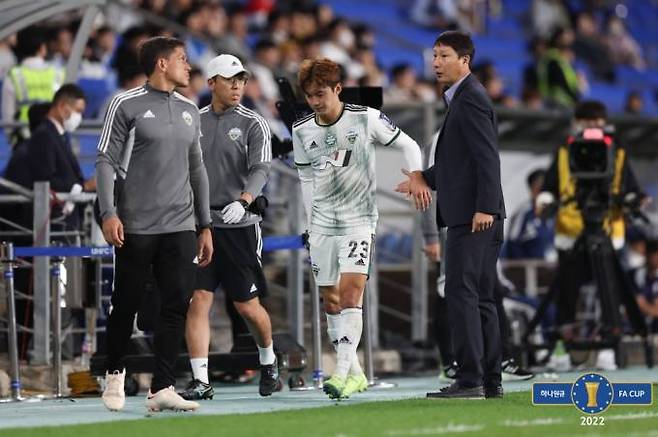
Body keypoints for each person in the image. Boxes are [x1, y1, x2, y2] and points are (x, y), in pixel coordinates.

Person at [293, 58, 427, 400]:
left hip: (359, 219)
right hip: (322, 224)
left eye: (320, 94)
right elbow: (306, 178)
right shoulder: (301, 130)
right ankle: (355, 373)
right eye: (309, 96)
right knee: (330, 298)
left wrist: (416, 176)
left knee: (352, 293)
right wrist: (309, 223)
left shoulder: (364, 118)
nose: (315, 102)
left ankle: (338, 374)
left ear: (337, 89)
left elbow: (409, 144)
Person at [96, 36, 213, 412]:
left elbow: (197, 168)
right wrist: (108, 211)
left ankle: (162, 387)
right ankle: (114, 375)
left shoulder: (190, 108)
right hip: (135, 224)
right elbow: (104, 161)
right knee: (126, 303)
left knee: (176, 304)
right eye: (182, 59)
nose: (188, 66)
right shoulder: (124, 103)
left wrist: (205, 223)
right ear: (162, 64)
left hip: (180, 224)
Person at [397, 31, 506, 399]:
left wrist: (485, 207)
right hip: (476, 213)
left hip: (474, 216)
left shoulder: (470, 98)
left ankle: (471, 379)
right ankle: (490, 379)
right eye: (434, 56)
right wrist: (422, 178)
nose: (436, 62)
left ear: (465, 60)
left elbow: (487, 158)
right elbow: (457, 165)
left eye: (444, 55)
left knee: (462, 294)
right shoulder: (462, 99)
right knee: (482, 297)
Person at [179, 54, 278, 401]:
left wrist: (246, 199)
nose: (237, 86)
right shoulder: (193, 119)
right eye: (229, 79)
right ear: (211, 84)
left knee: (246, 305)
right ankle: (201, 380)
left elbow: (262, 168)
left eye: (241, 79)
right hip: (202, 224)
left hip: (240, 223)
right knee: (198, 300)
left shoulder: (254, 122)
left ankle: (269, 360)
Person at [420, 132, 534, 383]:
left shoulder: (473, 133)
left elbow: (486, 173)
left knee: (484, 291)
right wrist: (430, 235)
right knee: (453, 293)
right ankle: (451, 363)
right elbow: (427, 187)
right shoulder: (442, 139)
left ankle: (494, 363)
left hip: (478, 226)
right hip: (452, 229)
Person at [535, 100, 648, 334]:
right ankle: (563, 345)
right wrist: (544, 199)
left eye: (597, 121)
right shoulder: (565, 149)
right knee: (567, 290)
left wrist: (635, 198)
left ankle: (610, 339)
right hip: (571, 231)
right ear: (576, 122)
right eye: (587, 121)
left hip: (606, 228)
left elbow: (630, 186)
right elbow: (550, 185)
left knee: (609, 289)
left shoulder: (617, 149)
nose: (592, 126)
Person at [27, 84, 92, 229]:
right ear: (62, 106)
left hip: (66, 221)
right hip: (54, 221)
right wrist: (83, 186)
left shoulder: (61, 135)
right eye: (78, 111)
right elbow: (45, 179)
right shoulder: (44, 135)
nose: (79, 117)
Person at [2, 26, 64, 145]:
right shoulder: (58, 73)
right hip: (52, 139)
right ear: (42, 48)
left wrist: (13, 140)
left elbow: (8, 120)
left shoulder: (13, 76)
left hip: (23, 141)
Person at [502, 169, 555, 260]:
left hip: (552, 267)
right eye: (538, 188)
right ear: (532, 190)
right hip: (527, 268)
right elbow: (513, 242)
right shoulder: (524, 212)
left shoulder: (555, 212)